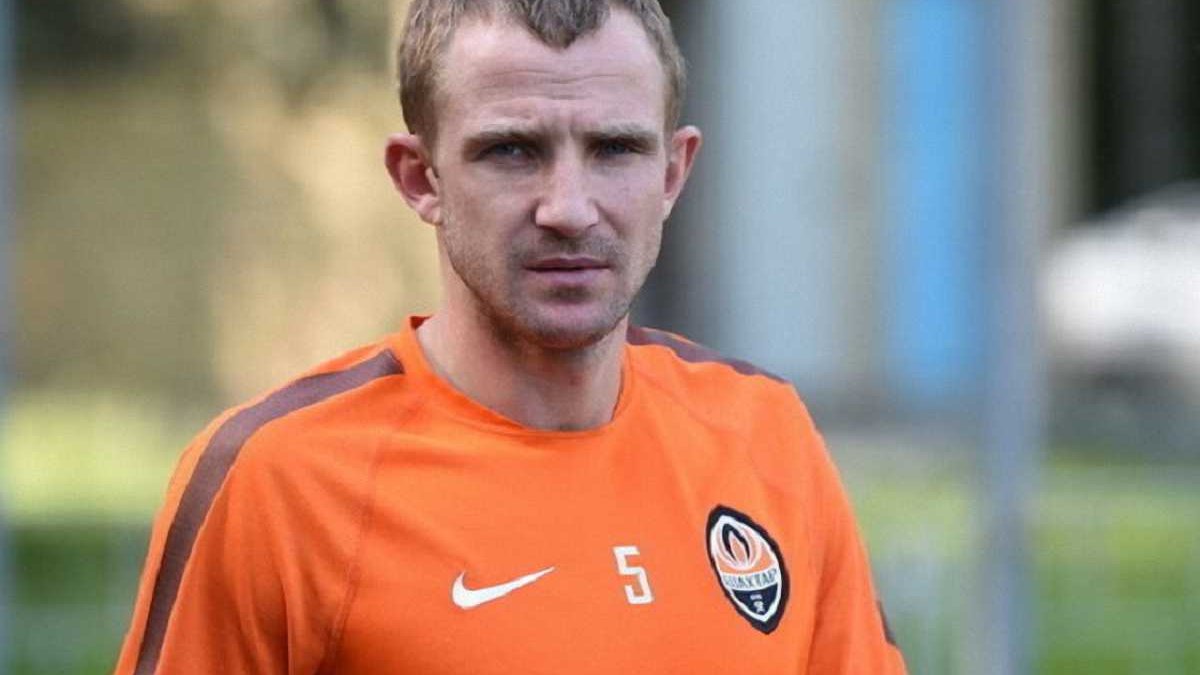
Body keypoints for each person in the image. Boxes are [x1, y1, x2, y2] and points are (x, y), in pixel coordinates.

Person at [114, 1, 907, 673]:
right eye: (512, 151)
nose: (568, 207)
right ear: (419, 178)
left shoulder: (764, 432)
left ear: (673, 173)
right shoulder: (276, 482)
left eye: (615, 149)